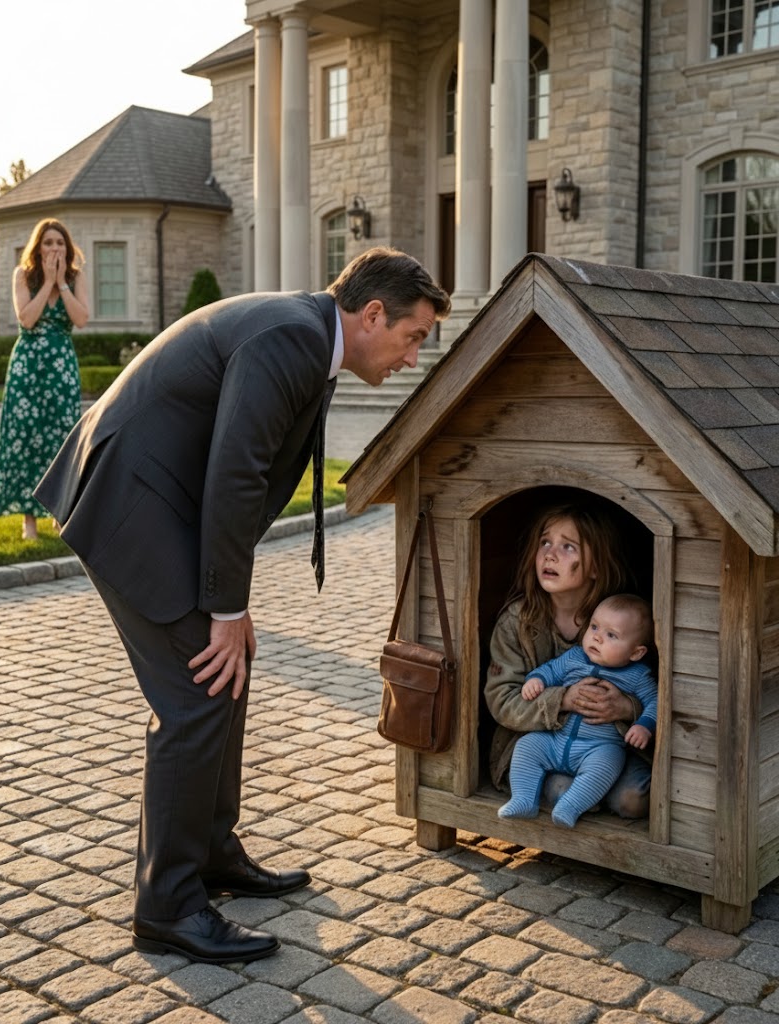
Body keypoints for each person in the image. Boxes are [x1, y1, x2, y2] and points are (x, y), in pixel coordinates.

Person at [34, 246, 450, 966]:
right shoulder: (291, 337)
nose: (413, 357)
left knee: (229, 670)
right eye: (414, 336)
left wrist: (229, 603)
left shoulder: (308, 337)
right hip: (130, 501)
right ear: (373, 314)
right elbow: (236, 469)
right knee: (197, 696)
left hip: (161, 501)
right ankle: (167, 905)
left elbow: (242, 475)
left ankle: (213, 855)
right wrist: (223, 607)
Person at [484, 501, 653, 821]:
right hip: (539, 744)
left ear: (595, 567)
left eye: (568, 547)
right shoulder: (516, 622)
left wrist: (626, 708)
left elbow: (654, 690)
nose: (550, 553)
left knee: (634, 799)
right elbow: (501, 699)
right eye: (545, 542)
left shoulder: (621, 621)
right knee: (559, 787)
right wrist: (562, 699)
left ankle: (591, 794)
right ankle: (566, 799)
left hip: (607, 747)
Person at [499, 593, 657, 828]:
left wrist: (644, 725)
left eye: (611, 635)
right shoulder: (575, 657)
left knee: (610, 761)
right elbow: (550, 670)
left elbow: (655, 702)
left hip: (598, 748)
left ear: (636, 653)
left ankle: (569, 807)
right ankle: (523, 799)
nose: (597, 638)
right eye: (594, 627)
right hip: (557, 739)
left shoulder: (638, 676)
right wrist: (536, 680)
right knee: (527, 746)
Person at [0, 218, 89, 540]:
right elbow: (27, 319)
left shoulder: (75, 277)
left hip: (61, 369)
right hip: (27, 367)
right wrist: (46, 282)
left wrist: (62, 284)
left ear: (67, 248)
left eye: (60, 242)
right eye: (48, 242)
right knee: (25, 438)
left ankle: (59, 513)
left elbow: (81, 319)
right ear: (38, 247)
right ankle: (28, 519)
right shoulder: (23, 275)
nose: (54, 248)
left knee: (62, 436)